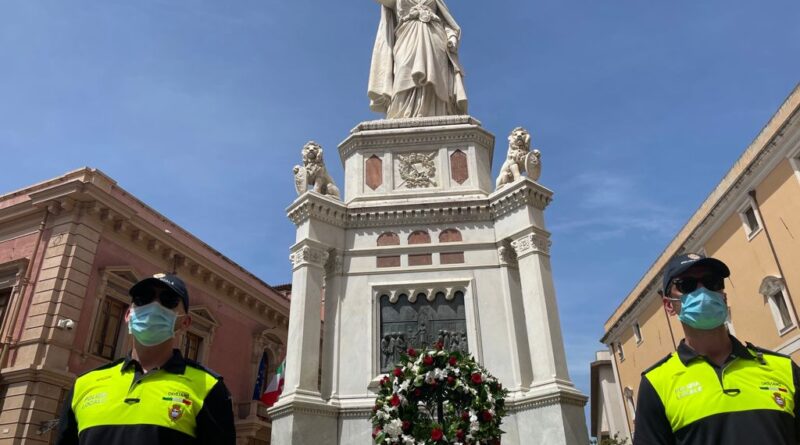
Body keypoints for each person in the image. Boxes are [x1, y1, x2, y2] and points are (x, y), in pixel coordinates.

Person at [634, 253, 800, 444]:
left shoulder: (784, 367)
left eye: (712, 282)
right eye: (686, 285)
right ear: (669, 306)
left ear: (723, 296)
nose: (702, 291)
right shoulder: (656, 383)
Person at [56, 273, 236, 445]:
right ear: (128, 315)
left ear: (185, 322)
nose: (154, 306)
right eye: (143, 298)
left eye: (168, 301)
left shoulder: (209, 387)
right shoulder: (84, 384)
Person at [368, 0, 468, 119]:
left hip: (435, 37)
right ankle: (400, 113)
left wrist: (452, 37)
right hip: (406, 35)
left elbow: (447, 22)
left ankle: (433, 112)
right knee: (404, 71)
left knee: (435, 74)